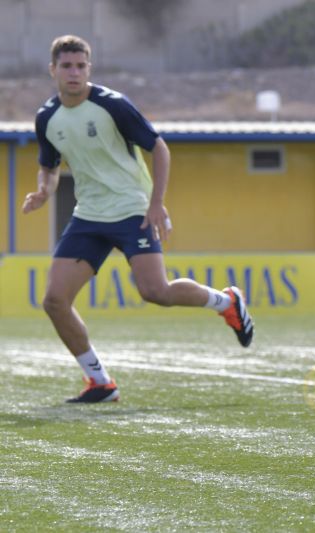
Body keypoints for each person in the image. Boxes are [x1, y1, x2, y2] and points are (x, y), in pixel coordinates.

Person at [23, 35, 254, 403]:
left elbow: (158, 147)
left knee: (155, 292)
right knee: (54, 301)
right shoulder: (47, 117)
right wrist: (43, 191)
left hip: (132, 208)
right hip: (89, 215)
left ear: (89, 68)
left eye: (81, 65)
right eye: (66, 66)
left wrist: (156, 202)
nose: (74, 72)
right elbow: (49, 166)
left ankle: (226, 302)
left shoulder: (113, 105)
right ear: (53, 70)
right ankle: (100, 382)